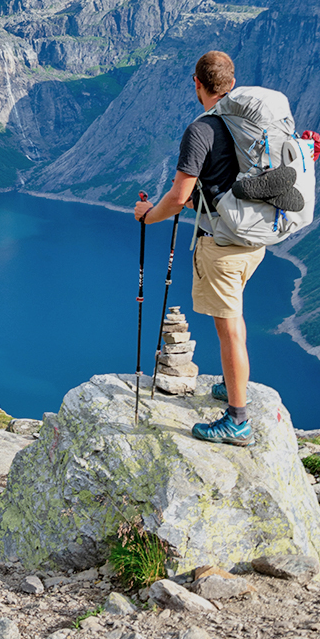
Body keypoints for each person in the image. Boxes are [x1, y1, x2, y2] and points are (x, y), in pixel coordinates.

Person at [133, 50, 264, 446]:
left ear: (197, 83)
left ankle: (237, 421)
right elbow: (222, 186)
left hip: (223, 246)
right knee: (234, 319)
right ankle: (231, 384)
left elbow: (178, 196)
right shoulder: (248, 122)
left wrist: (147, 215)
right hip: (254, 239)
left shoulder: (202, 130)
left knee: (228, 331)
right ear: (231, 82)